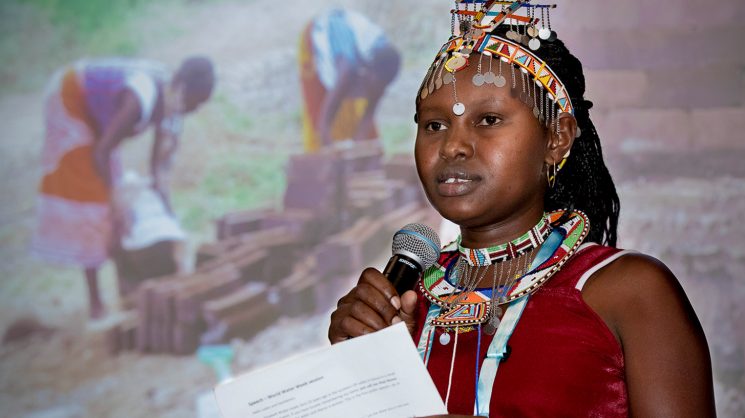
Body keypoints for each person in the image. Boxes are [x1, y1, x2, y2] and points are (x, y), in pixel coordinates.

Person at [328, 1, 715, 416]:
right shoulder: (404, 302)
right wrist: (373, 372)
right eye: (434, 126)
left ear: (557, 139)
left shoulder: (628, 291)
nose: (452, 146)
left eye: (489, 120)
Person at [31, 56, 215, 319]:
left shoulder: (174, 106)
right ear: (183, 89)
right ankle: (96, 305)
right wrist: (117, 204)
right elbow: (101, 153)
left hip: (100, 128)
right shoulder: (141, 97)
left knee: (115, 201)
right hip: (70, 96)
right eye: (195, 103)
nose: (194, 111)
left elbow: (158, 170)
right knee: (93, 201)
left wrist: (170, 219)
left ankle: (126, 292)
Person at [298, 8, 400, 152]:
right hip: (316, 37)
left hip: (355, 54)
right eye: (373, 86)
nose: (374, 91)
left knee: (367, 139)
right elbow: (324, 122)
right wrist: (332, 154)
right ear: (367, 73)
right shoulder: (346, 70)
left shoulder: (383, 73)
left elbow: (368, 113)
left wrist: (357, 150)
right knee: (320, 120)